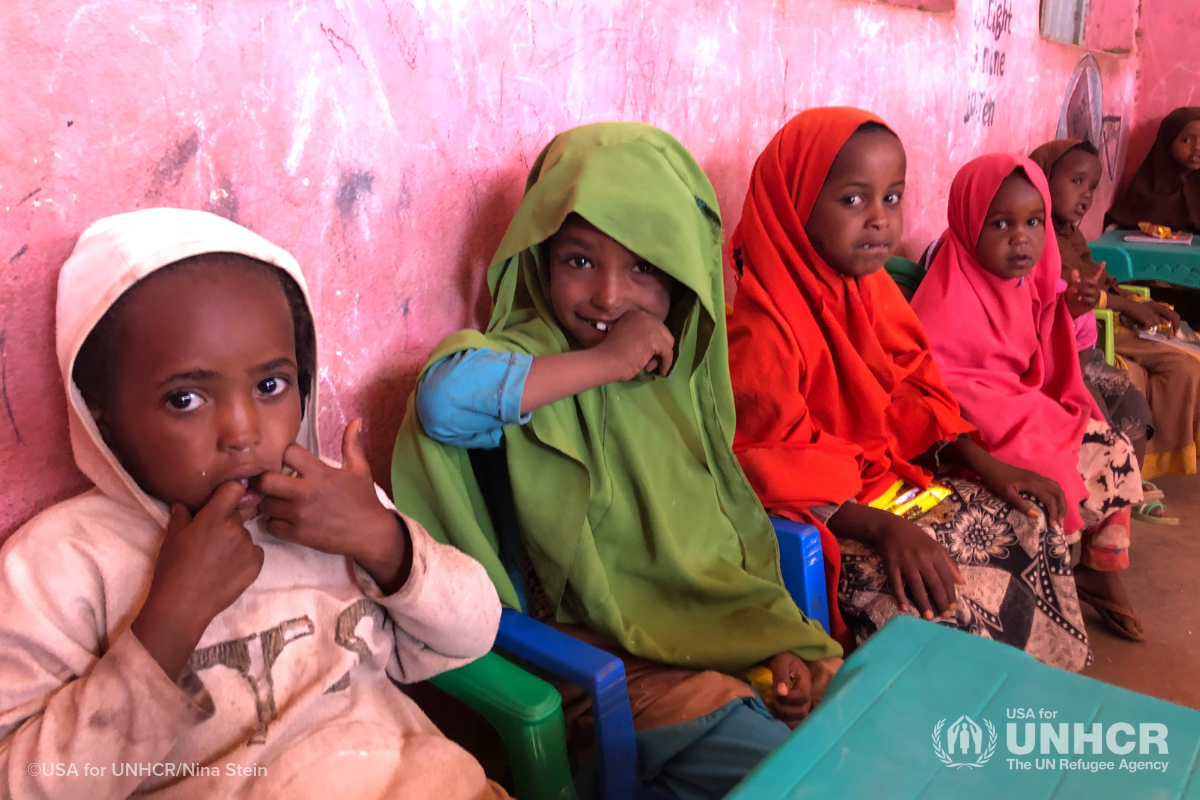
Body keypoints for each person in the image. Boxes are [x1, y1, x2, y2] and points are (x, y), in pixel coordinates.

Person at [391, 122, 842, 800]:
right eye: (579, 260)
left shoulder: (680, 375)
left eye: (643, 267)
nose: (607, 296)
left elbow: (716, 551)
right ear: (540, 255)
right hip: (605, 672)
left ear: (684, 273)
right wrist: (599, 364)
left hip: (713, 642)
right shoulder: (531, 350)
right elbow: (442, 402)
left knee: (859, 728)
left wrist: (773, 643)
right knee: (799, 776)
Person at [0, 208, 507, 799]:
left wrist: (382, 539)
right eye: (185, 398)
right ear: (102, 416)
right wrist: (166, 625)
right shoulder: (63, 565)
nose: (241, 432)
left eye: (271, 386)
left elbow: (474, 633)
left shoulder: (337, 506)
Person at [725, 106, 1090, 672]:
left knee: (1025, 520)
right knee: (932, 599)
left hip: (886, 484)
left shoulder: (873, 293)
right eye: (852, 200)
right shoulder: (761, 329)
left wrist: (988, 465)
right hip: (828, 519)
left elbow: (914, 399)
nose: (878, 219)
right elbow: (777, 466)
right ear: (793, 206)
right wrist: (886, 528)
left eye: (891, 198)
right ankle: (947, 733)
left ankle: (1036, 686)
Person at [912, 154, 1146, 642]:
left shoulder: (1026, 282)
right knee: (1051, 473)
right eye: (1000, 223)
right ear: (968, 223)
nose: (1021, 237)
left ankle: (1100, 571)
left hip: (1019, 405)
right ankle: (1050, 591)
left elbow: (1037, 353)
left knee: (1114, 447)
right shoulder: (944, 297)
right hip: (976, 426)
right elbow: (937, 388)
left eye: (1033, 222)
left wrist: (1067, 309)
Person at [1034, 138, 1200, 499]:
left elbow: (1096, 278)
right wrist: (1125, 306)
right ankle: (1144, 471)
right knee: (1180, 366)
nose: (1086, 196)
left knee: (1189, 351)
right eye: (1076, 182)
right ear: (1042, 177)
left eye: (1092, 187)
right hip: (1086, 328)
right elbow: (1063, 295)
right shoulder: (1035, 235)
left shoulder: (1069, 233)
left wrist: (1143, 302)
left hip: (1099, 320)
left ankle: (1138, 476)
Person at [1106, 107, 1200, 233]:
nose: (1197, 147)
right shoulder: (1147, 185)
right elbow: (1125, 222)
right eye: (1186, 140)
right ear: (1168, 141)